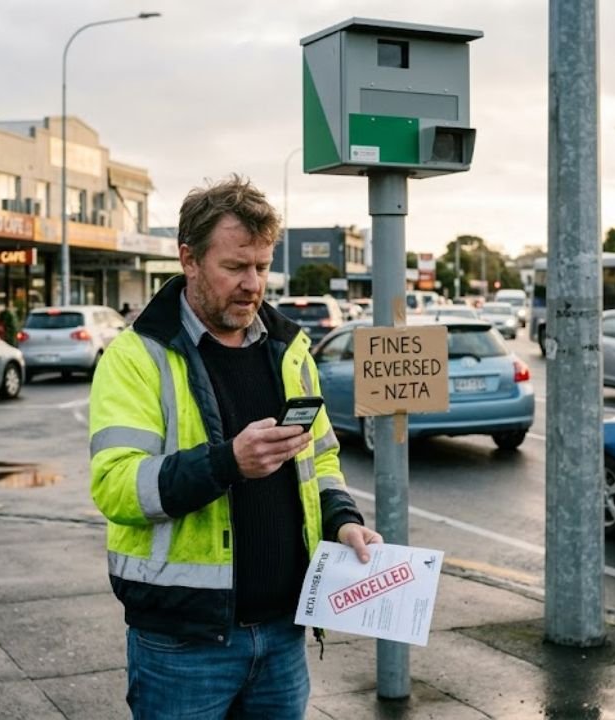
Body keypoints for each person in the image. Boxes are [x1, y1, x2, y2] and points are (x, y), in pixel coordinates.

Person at [88, 174, 381, 720]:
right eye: (234, 267)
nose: (253, 284)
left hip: (282, 636)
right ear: (189, 260)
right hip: (183, 644)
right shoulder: (136, 357)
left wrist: (342, 520)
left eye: (262, 267)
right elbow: (116, 487)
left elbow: (320, 460)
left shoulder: (291, 349)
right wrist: (227, 463)